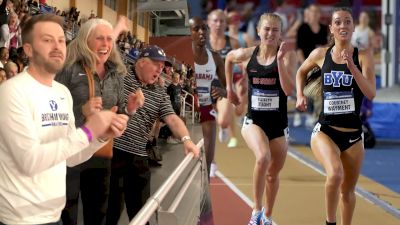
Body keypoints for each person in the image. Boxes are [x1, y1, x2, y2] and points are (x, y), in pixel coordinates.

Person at [0, 14, 129, 225]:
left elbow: (70, 157)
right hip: (20, 218)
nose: (58, 46)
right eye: (47, 40)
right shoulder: (12, 92)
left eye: (61, 40)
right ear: (29, 50)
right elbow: (29, 161)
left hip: (53, 215)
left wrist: (100, 137)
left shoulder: (61, 93)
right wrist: (88, 131)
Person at [55, 17, 142, 225]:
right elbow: (53, 110)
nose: (106, 45)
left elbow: (118, 111)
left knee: (98, 213)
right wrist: (81, 111)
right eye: (100, 39)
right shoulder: (68, 69)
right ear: (85, 40)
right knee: (67, 212)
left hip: (100, 153)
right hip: (70, 152)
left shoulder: (116, 74)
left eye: (109, 40)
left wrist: (129, 110)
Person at [296, 7, 375, 225]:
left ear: (353, 27)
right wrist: (300, 95)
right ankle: (330, 221)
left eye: (347, 22)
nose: (343, 26)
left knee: (348, 191)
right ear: (331, 28)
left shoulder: (364, 56)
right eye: (338, 22)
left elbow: (370, 93)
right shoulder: (320, 55)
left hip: (353, 136)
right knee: (335, 173)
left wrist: (352, 66)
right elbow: (301, 72)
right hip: (326, 131)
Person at [105, 45, 200, 225]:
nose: (160, 69)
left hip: (138, 157)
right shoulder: (121, 76)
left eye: (162, 66)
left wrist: (187, 140)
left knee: (142, 213)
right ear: (140, 62)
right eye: (156, 64)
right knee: (111, 210)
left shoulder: (159, 92)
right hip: (113, 153)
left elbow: (172, 118)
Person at [225, 13, 296, 225]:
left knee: (273, 175)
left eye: (275, 30)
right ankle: (256, 211)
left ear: (280, 33)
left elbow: (288, 90)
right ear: (258, 30)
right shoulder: (248, 55)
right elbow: (229, 58)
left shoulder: (287, 56)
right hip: (254, 121)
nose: (270, 33)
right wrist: (229, 89)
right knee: (263, 157)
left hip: (278, 125)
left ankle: (267, 215)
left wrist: (281, 61)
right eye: (266, 29)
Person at [190, 16, 232, 178]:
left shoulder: (215, 58)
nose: (201, 32)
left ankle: (204, 198)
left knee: (206, 164)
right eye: (196, 29)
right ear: (190, 33)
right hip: (187, 110)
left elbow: (229, 89)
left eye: (204, 28)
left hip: (207, 112)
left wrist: (223, 92)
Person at [294, 4, 328, 128]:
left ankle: (315, 116)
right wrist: (306, 65)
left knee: (319, 90)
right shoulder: (302, 28)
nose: (314, 15)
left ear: (319, 14)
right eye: (312, 12)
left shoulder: (324, 29)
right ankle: (299, 111)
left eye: (316, 12)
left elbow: (326, 48)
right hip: (306, 64)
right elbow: (299, 49)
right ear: (308, 14)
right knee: (305, 91)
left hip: (320, 65)